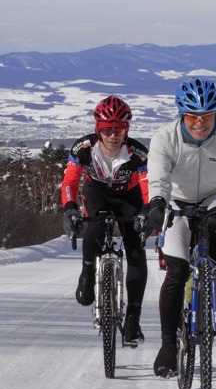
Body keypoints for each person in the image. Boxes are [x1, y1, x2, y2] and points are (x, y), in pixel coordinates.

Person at [146, 77, 216, 377]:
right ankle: (168, 345)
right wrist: (157, 202)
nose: (200, 123)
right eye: (193, 116)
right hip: (176, 202)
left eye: (207, 116)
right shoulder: (164, 138)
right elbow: (157, 178)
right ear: (182, 114)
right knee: (176, 270)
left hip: (213, 197)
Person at [61, 95, 150, 346]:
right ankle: (88, 271)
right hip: (97, 193)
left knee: (135, 247)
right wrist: (69, 209)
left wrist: (147, 210)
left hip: (129, 197)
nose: (113, 135)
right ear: (98, 130)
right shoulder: (83, 149)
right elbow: (69, 182)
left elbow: (148, 188)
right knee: (96, 225)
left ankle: (133, 317)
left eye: (119, 129)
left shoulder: (138, 153)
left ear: (127, 130)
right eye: (107, 129)